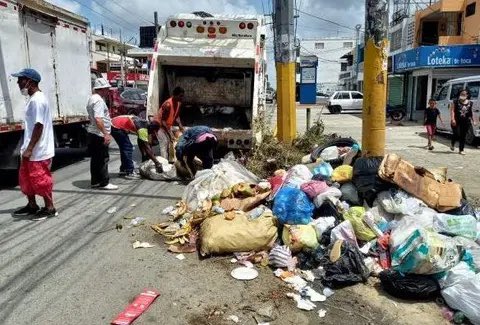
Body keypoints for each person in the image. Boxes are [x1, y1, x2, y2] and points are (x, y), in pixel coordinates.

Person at [11, 68, 58, 220]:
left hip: (39, 150)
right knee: (26, 179)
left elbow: (39, 126)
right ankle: (32, 205)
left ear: (30, 82)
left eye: (21, 79)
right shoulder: (33, 99)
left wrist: (30, 149)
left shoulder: (38, 100)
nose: (18, 82)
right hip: (30, 149)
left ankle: (50, 208)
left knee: (41, 180)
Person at [86, 78, 118, 190]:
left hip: (93, 132)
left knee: (95, 159)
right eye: (106, 89)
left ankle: (95, 181)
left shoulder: (92, 99)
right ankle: (104, 182)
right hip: (99, 134)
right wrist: (106, 134)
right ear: (102, 89)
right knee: (103, 158)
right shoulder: (99, 101)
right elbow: (99, 119)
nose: (108, 91)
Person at [155, 87, 185, 162]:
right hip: (159, 126)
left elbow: (176, 116)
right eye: (180, 96)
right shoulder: (168, 105)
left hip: (167, 126)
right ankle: (163, 164)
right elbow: (163, 121)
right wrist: (170, 133)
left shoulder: (178, 103)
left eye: (183, 96)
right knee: (164, 143)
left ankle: (170, 161)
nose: (182, 97)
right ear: (175, 95)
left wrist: (180, 125)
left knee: (170, 143)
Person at [450, 89, 476, 155]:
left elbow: (471, 112)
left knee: (463, 135)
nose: (463, 95)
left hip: (466, 121)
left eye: (464, 94)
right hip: (456, 120)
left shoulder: (470, 103)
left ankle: (461, 150)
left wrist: (474, 120)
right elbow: (452, 111)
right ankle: (452, 144)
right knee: (456, 133)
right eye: (461, 94)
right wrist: (453, 119)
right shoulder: (455, 101)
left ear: (467, 95)